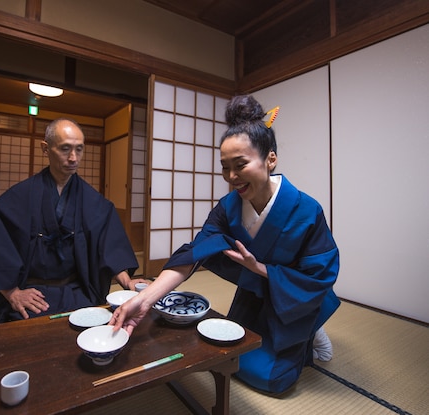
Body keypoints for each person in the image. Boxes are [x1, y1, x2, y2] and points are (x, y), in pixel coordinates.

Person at [110, 95, 340, 394]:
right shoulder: (228, 208)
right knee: (226, 355)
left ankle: (312, 326)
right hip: (255, 294)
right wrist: (145, 300)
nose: (231, 177)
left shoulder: (306, 210)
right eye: (225, 167)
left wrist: (262, 269)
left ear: (271, 159)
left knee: (272, 380)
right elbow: (194, 253)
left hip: (296, 298)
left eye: (240, 164)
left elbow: (319, 274)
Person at [0, 118, 143, 325]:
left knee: (96, 328)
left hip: (77, 290)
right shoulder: (18, 198)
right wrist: (12, 293)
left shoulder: (92, 200)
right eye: (65, 149)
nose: (73, 158)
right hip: (33, 291)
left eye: (79, 150)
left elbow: (109, 244)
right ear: (45, 148)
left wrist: (127, 281)